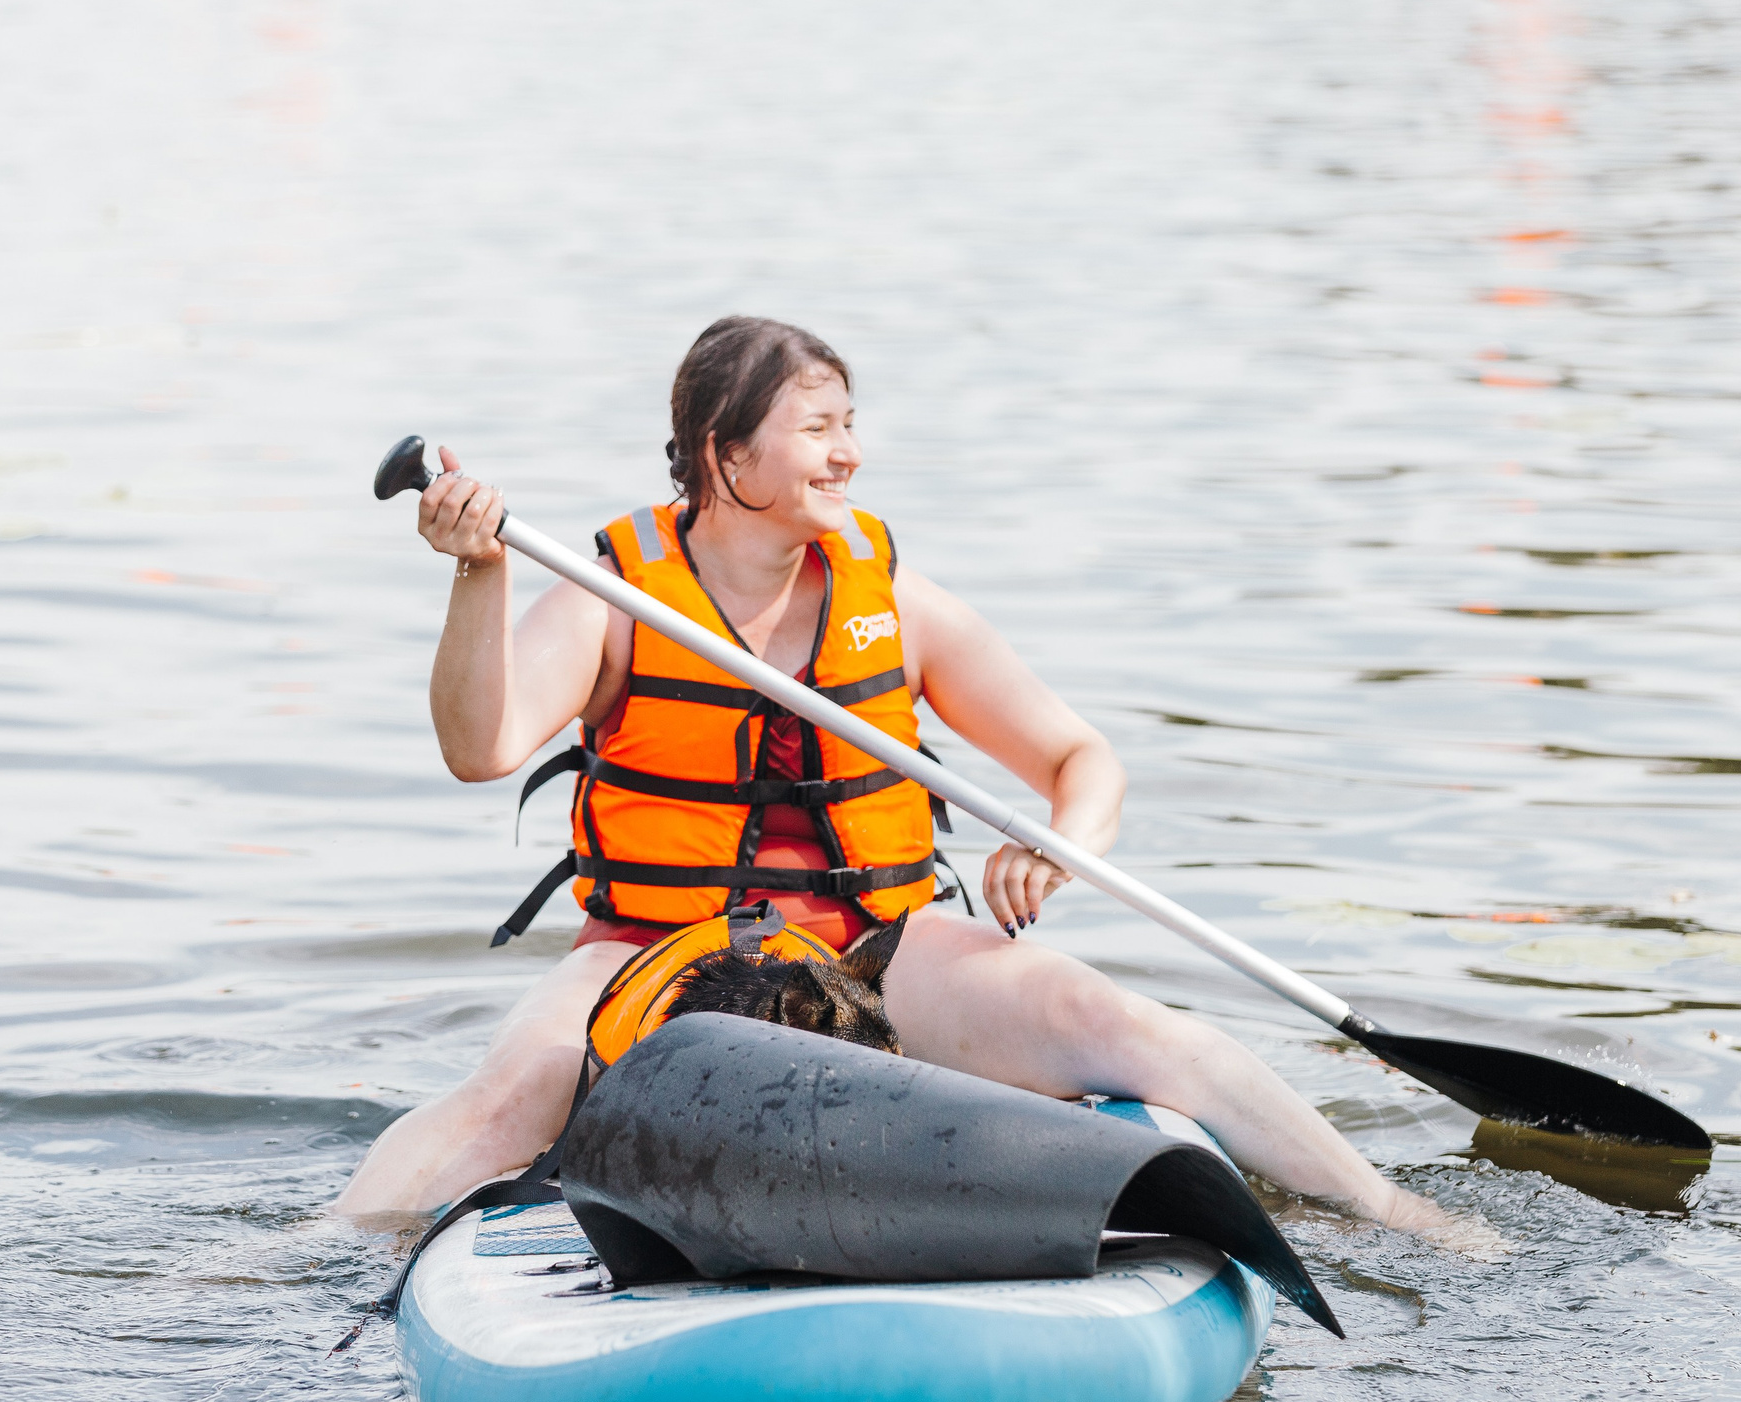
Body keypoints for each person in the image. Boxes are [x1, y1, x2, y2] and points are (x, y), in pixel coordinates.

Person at [333, 316, 1456, 1239]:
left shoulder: (891, 601)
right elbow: (477, 749)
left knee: (1100, 1012)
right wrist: (477, 577)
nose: (847, 453)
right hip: (653, 954)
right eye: (817, 429)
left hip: (876, 946)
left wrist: (1060, 842)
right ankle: (302, 1263)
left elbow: (1082, 758)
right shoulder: (607, 597)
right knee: (509, 1093)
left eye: (848, 426)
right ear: (728, 457)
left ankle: (1394, 1212)